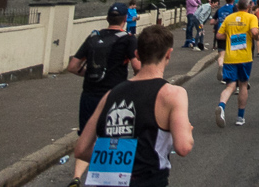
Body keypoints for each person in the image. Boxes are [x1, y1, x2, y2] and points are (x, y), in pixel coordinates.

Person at [74, 25, 193, 187]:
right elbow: (183, 147)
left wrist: (119, 162)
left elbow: (81, 150)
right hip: (148, 180)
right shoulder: (173, 94)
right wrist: (187, 132)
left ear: (137, 54)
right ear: (168, 54)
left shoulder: (111, 94)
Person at [66, 2, 141, 187]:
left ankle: (76, 178)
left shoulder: (93, 37)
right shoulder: (128, 39)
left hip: (89, 94)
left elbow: (73, 67)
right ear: (125, 19)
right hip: (114, 95)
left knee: (87, 137)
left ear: (107, 18)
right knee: (113, 139)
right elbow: (138, 67)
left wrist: (88, 75)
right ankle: (109, 178)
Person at [216, 0, 259, 127]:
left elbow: (219, 35)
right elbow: (254, 32)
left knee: (230, 86)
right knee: (243, 85)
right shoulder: (251, 18)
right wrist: (256, 36)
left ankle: (221, 106)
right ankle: (240, 117)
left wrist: (230, 36)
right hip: (244, 57)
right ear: (248, 7)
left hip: (230, 57)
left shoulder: (229, 18)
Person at [212, 0, 236, 81]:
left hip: (220, 33)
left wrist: (218, 22)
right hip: (230, 34)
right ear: (233, 0)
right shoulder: (234, 8)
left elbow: (212, 21)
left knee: (222, 54)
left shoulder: (220, 9)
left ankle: (221, 65)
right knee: (230, 54)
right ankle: (228, 74)